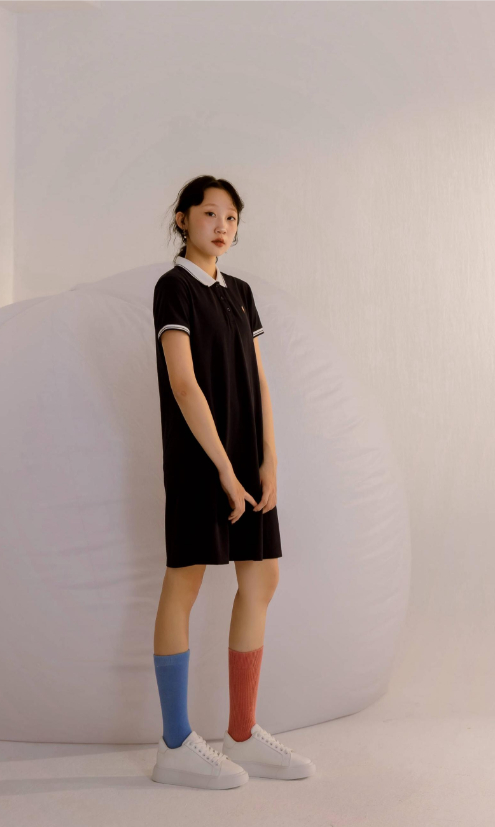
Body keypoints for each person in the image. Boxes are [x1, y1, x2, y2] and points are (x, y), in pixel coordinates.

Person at [150, 175, 316, 790]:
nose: (222, 226)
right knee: (185, 581)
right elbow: (184, 384)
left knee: (262, 576)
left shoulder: (241, 293)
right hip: (202, 458)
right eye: (210, 213)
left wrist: (268, 459)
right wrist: (221, 467)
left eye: (232, 217)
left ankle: (241, 733)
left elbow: (260, 380)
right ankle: (174, 745)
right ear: (183, 219)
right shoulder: (173, 288)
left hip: (248, 459)